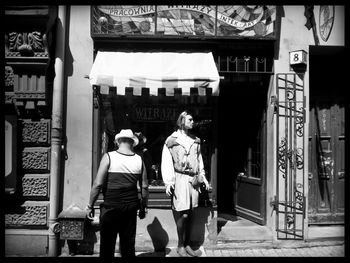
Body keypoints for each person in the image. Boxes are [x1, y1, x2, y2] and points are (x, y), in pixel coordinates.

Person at [86, 129, 148, 258]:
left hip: (111, 207)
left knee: (107, 246)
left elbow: (97, 184)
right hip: (130, 207)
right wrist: (143, 207)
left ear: (118, 141)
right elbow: (145, 187)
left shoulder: (109, 157)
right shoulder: (139, 160)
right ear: (132, 142)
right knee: (128, 245)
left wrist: (90, 205)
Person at [161, 111, 210, 257]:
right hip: (180, 179)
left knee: (192, 213)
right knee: (183, 215)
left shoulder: (195, 140)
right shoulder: (171, 140)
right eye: (190, 119)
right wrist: (169, 181)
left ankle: (188, 244)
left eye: (193, 119)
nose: (192, 121)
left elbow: (199, 159)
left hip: (193, 180)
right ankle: (180, 245)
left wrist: (203, 176)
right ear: (182, 121)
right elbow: (166, 162)